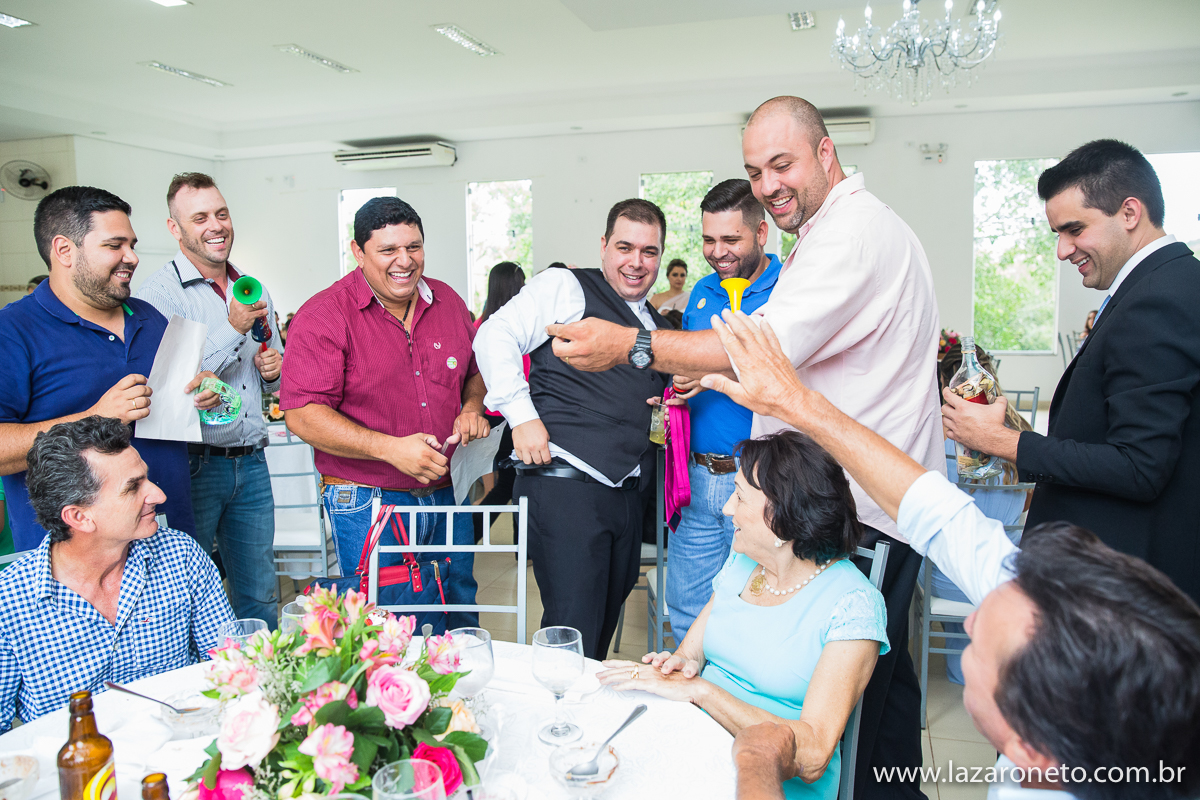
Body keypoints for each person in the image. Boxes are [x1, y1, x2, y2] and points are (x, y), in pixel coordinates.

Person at [546, 96, 942, 795]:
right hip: (831, 494)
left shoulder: (851, 234)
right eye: (756, 171)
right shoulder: (824, 234)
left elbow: (764, 348)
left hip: (854, 504)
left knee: (857, 714)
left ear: (826, 153)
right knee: (886, 701)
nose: (768, 184)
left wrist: (632, 345)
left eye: (782, 165)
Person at [701, 310, 1200, 800]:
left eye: (987, 645)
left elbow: (808, 757)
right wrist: (796, 403)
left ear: (1031, 750)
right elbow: (934, 509)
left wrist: (758, 757)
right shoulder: (1035, 615)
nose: (969, 622)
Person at [942, 139, 1200, 605]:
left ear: (1129, 212)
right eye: (1057, 234)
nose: (1062, 251)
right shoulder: (1165, 283)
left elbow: (1139, 467)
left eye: (1075, 230)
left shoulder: (1158, 299)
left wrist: (1001, 440)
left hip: (1121, 584)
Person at [599, 431, 889, 800]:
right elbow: (690, 653)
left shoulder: (854, 605)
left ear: (782, 516)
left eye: (738, 496)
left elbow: (815, 753)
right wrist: (676, 666)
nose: (726, 509)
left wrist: (702, 692)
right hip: (697, 747)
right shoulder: (743, 562)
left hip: (769, 783)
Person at [474, 198, 671, 659]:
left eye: (649, 251)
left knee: (599, 636)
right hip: (566, 487)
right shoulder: (567, 286)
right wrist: (522, 417)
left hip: (625, 496)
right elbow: (494, 335)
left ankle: (581, 706)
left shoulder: (658, 325)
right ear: (603, 246)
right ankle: (556, 706)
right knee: (572, 631)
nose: (636, 262)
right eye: (625, 247)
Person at [281, 196, 485, 631]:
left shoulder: (447, 301)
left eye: (413, 247)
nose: (404, 261)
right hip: (369, 500)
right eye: (388, 250)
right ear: (358, 252)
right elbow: (301, 414)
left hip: (448, 490)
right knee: (388, 627)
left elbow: (474, 371)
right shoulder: (324, 315)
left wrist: (471, 407)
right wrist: (389, 448)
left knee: (458, 610)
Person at [0, 186, 216, 551]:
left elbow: (173, 412)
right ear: (64, 250)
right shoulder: (13, 331)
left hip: (169, 537)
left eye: (132, 245)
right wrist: (95, 418)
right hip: (74, 558)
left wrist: (204, 394)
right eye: (114, 245)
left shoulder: (150, 318)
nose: (131, 257)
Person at [0, 416, 233, 731]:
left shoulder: (181, 555)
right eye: (133, 487)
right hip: (84, 760)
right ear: (79, 517)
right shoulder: (9, 602)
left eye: (146, 479)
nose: (158, 495)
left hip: (183, 746)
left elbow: (234, 665)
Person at [136, 172, 283, 627]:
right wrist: (233, 327)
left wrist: (275, 373)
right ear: (175, 228)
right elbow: (173, 387)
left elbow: (273, 383)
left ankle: (265, 671)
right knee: (187, 596)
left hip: (252, 462)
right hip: (192, 466)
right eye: (200, 218)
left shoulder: (253, 288)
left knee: (260, 592)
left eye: (221, 214)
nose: (216, 225)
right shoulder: (156, 296)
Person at [666, 178, 782, 643]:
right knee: (687, 609)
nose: (718, 252)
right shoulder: (700, 291)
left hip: (762, 480)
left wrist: (715, 371)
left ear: (761, 232)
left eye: (731, 239)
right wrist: (673, 390)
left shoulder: (791, 290)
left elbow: (796, 375)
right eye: (709, 240)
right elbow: (686, 365)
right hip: (695, 480)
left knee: (759, 613)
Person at [929, 343, 1033, 684]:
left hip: (948, 580)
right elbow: (1028, 502)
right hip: (1006, 574)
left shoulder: (937, 437)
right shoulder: (1021, 434)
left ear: (945, 385)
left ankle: (962, 656)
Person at [472, 261, 527, 543]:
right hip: (512, 417)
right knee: (513, 484)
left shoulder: (479, 325)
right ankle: (470, 535)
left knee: (511, 484)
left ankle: (520, 546)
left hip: (490, 417)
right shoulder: (515, 328)